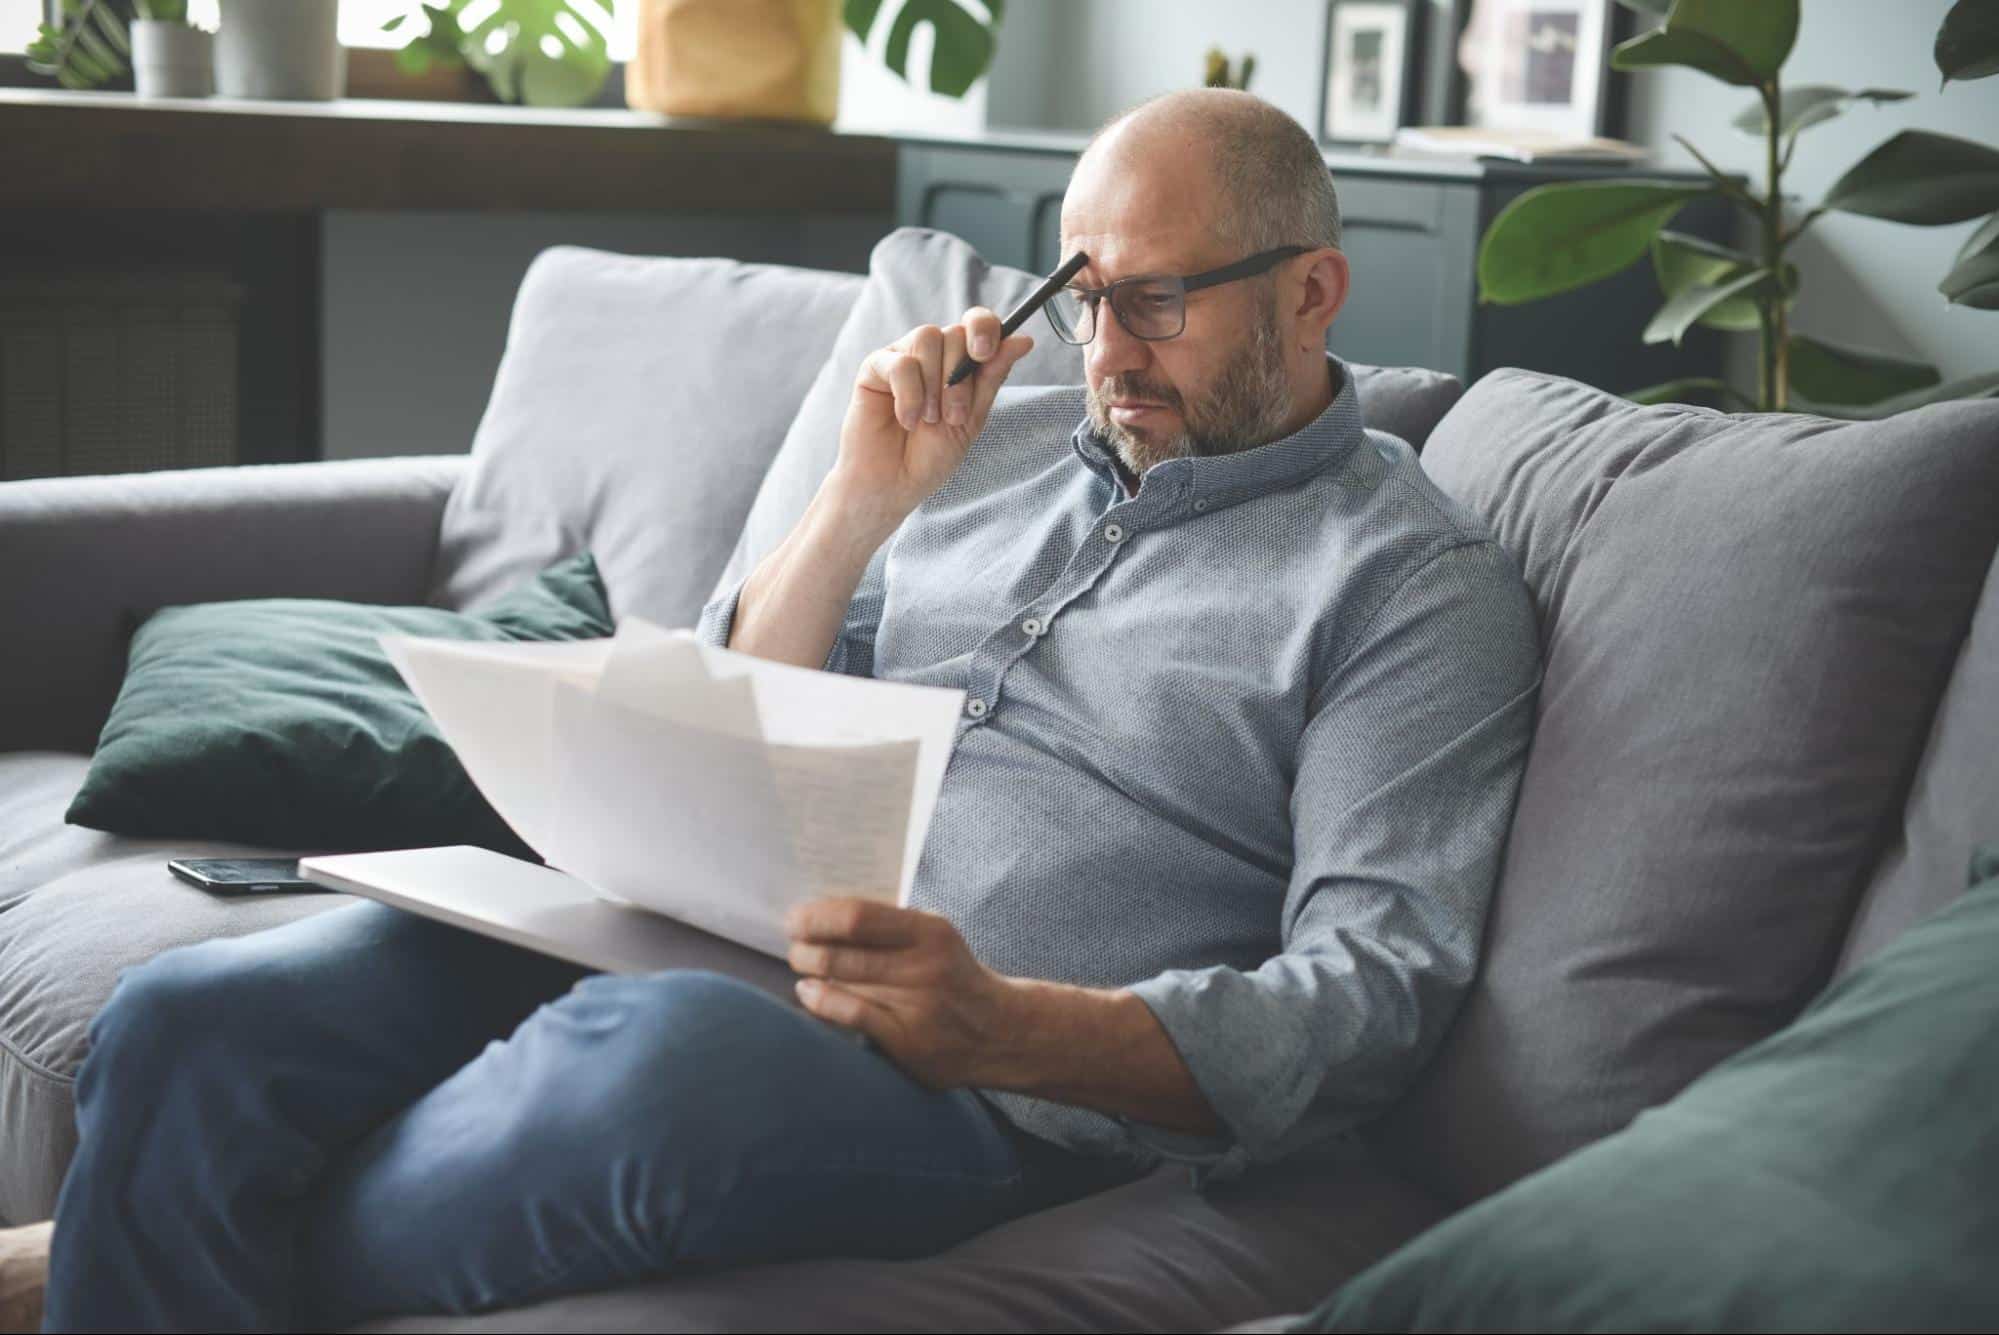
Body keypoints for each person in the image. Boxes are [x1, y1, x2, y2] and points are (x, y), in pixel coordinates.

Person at [14, 87, 1543, 1333]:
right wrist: (861, 503)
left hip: (974, 1081)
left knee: (651, 1063)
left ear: (1313, 289)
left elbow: (1372, 994)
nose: (1106, 355)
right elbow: (733, 701)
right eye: (1081, 295)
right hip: (696, 928)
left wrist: (1008, 1026)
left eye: (1155, 304)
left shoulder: (1410, 588)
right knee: (190, 1023)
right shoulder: (980, 442)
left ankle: (121, 1261)